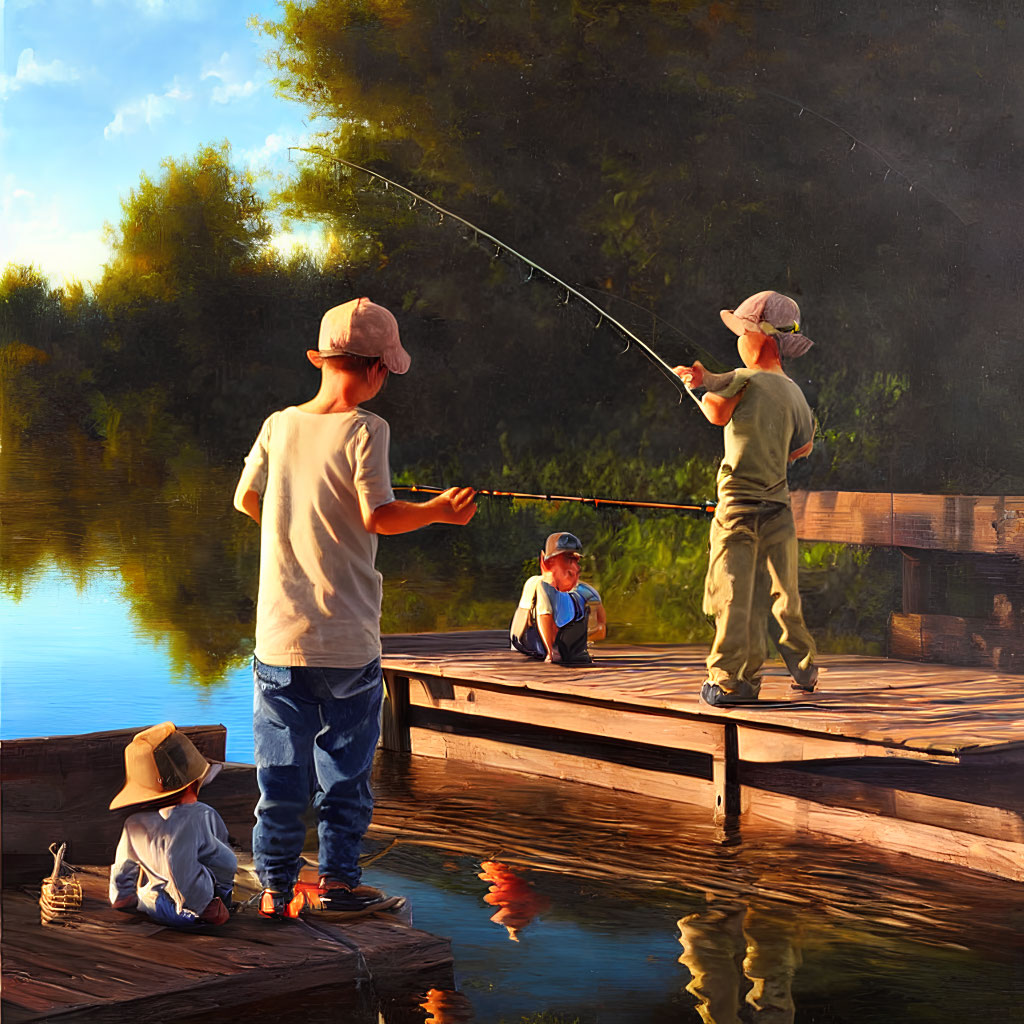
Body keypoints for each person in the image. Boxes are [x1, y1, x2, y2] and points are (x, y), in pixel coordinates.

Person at [233, 297, 477, 919]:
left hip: (278, 638)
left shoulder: (277, 424)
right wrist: (437, 511)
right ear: (373, 369)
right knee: (344, 774)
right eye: (386, 373)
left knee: (279, 776)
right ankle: (338, 885)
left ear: (321, 359)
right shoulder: (368, 429)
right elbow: (378, 515)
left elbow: (246, 499)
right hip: (347, 642)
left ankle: (274, 890)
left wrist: (293, 534)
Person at [673, 290, 818, 706]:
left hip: (738, 507)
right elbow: (800, 448)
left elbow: (717, 412)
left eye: (743, 332)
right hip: (779, 509)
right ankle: (805, 669)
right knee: (782, 595)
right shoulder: (795, 395)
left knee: (733, 594)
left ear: (763, 339)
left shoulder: (744, 377)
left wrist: (694, 389)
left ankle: (732, 681)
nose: (738, 340)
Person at [109, 722, 236, 929]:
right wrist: (203, 907)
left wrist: (122, 895)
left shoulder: (133, 824)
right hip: (192, 910)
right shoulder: (199, 816)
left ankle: (144, 900)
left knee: (150, 893)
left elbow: (124, 868)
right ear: (193, 784)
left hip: (157, 904)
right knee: (222, 863)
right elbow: (182, 870)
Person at [510, 531, 605, 664]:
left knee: (581, 600)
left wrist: (584, 638)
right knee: (540, 585)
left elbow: (602, 629)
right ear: (546, 563)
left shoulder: (585, 592)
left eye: (575, 560)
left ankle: (563, 649)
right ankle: (551, 651)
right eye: (566, 559)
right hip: (530, 641)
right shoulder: (537, 583)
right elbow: (544, 611)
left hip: (562, 643)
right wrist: (551, 651)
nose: (574, 567)